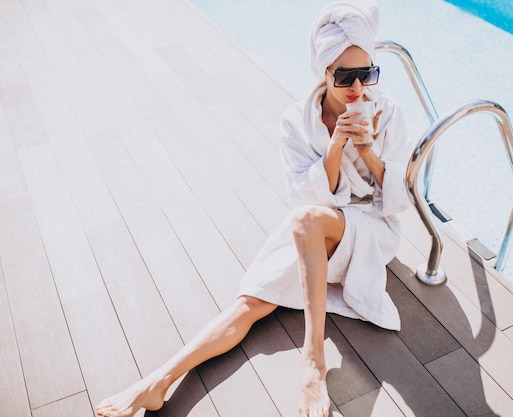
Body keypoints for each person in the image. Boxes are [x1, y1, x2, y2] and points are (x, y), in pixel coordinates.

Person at [95, 1, 412, 416]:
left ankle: (312, 361)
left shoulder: (388, 113)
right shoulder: (296, 122)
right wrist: (335, 146)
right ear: (323, 73)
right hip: (317, 225)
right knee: (250, 302)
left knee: (304, 224)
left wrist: (368, 151)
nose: (357, 88)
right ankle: (158, 380)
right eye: (344, 76)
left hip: (369, 227)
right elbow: (306, 197)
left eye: (367, 74)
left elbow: (397, 202)